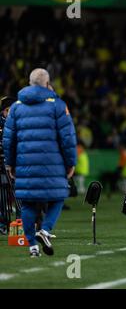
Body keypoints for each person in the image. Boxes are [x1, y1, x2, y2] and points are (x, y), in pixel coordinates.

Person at [3, 68, 77, 257]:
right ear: (47, 82)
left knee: (27, 204)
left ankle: (32, 246)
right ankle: (45, 230)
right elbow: (67, 137)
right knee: (58, 197)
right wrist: (71, 163)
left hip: (24, 162)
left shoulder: (17, 107)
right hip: (53, 162)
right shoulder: (57, 105)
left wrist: (10, 164)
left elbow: (9, 139)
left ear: (29, 82)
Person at [0, 96, 17, 235]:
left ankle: (20, 223)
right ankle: (2, 222)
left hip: (14, 163)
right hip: (3, 164)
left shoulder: (18, 122)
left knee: (19, 193)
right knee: (1, 193)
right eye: (8, 110)